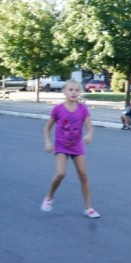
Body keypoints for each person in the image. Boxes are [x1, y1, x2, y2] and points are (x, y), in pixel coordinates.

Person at [40, 80, 100, 218]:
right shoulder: (58, 109)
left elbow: (90, 127)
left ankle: (88, 208)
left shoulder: (83, 109)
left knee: (83, 175)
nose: (74, 92)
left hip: (77, 145)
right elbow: (47, 128)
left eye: (76, 90)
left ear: (80, 92)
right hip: (61, 145)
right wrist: (48, 142)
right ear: (64, 92)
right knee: (61, 173)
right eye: (71, 90)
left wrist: (90, 134)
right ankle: (49, 197)